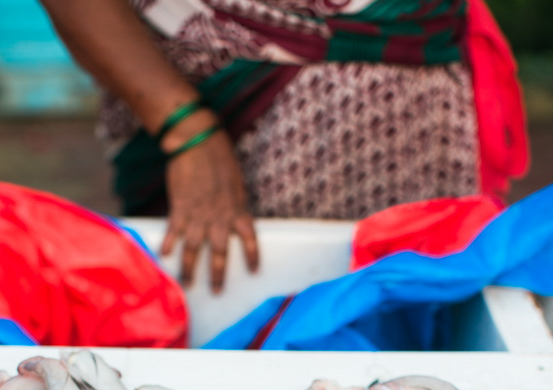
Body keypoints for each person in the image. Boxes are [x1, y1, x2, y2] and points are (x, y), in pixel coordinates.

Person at [40, 0, 526, 291]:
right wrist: (187, 129)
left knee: (413, 313)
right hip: (189, 82)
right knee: (231, 307)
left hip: (413, 100)